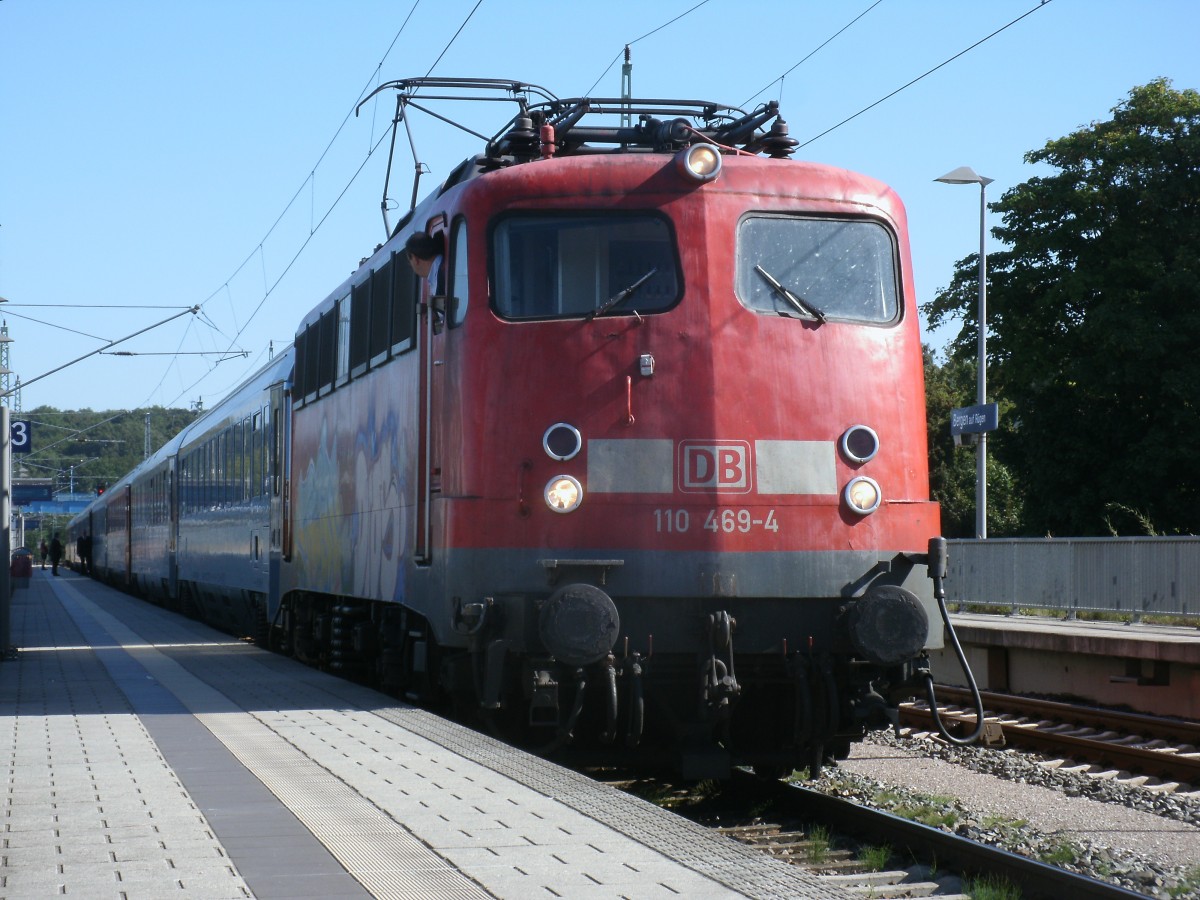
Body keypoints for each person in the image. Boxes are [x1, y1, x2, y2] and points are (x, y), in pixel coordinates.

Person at [404, 231, 444, 295]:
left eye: (409, 261)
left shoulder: (443, 273)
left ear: (415, 259)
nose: (410, 265)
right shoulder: (452, 262)